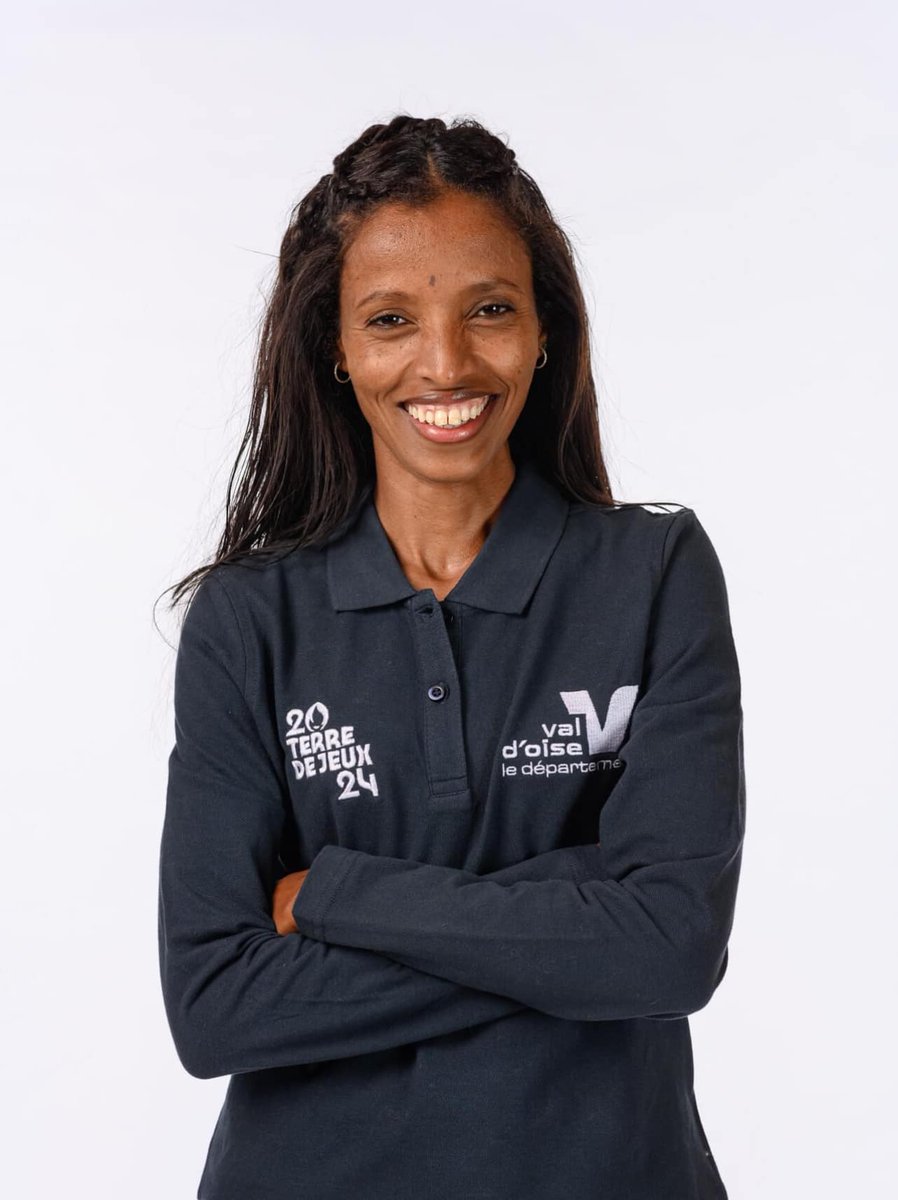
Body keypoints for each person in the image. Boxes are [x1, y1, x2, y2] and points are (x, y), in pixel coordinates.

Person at [157, 113, 746, 1200]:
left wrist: (338, 894)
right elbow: (215, 1007)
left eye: (489, 309)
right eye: (391, 319)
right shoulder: (248, 618)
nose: (445, 363)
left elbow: (670, 948)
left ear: (543, 329)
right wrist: (578, 922)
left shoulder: (653, 572)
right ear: (335, 349)